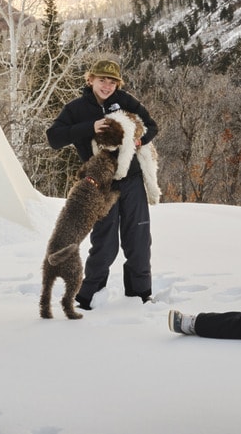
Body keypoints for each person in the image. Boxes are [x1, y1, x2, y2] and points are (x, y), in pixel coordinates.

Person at [46, 58, 159, 307]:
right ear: (90, 80)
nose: (107, 86)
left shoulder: (126, 101)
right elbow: (53, 138)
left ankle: (140, 293)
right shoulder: (76, 109)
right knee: (104, 242)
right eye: (102, 80)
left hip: (131, 179)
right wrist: (90, 127)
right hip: (99, 184)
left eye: (112, 82)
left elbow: (152, 126)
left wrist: (140, 141)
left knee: (138, 238)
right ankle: (90, 295)